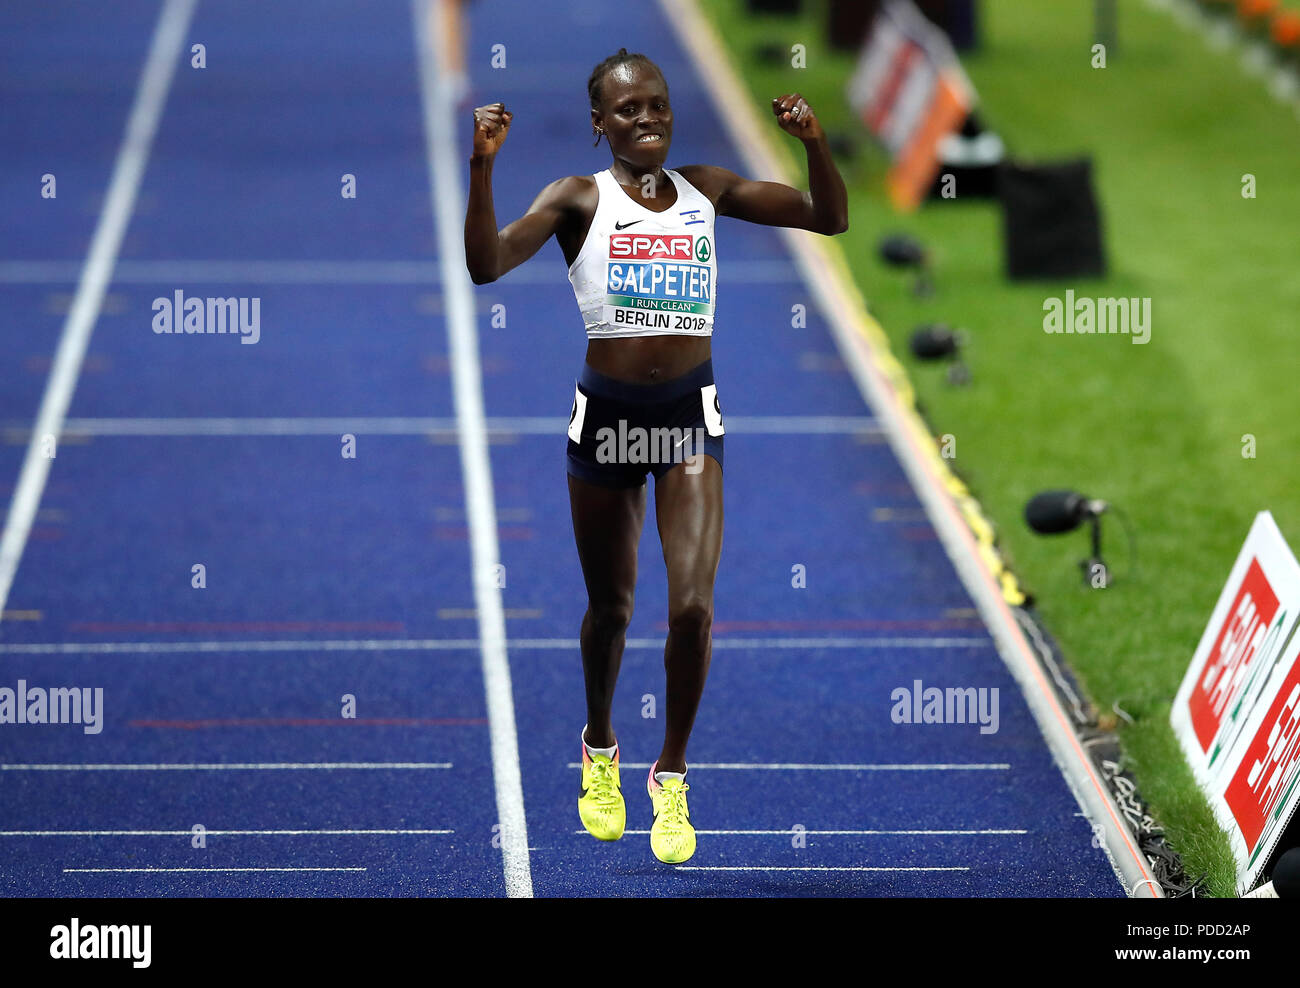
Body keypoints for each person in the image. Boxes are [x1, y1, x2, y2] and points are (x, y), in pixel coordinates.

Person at [464, 47, 848, 864]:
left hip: (686, 421)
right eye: (628, 110)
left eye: (659, 105)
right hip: (605, 421)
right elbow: (485, 265)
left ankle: (669, 772)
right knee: (611, 611)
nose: (647, 119)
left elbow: (828, 217)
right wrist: (481, 168)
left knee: (693, 609)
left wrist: (815, 142)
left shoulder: (707, 190)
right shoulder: (575, 198)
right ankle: (600, 745)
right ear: (600, 125)